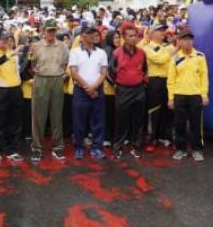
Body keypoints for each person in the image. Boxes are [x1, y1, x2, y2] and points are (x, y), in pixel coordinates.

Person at [29, 19, 69, 162]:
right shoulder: (36, 46)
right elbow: (31, 65)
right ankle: (37, 148)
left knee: (57, 115)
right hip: (41, 80)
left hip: (58, 79)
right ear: (43, 31)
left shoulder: (63, 46)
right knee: (39, 116)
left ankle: (58, 146)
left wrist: (59, 75)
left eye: (53, 30)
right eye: (49, 30)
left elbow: (65, 64)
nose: (51, 33)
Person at [167, 31, 209, 161]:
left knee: (196, 124)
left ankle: (197, 150)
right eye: (184, 40)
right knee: (179, 124)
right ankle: (181, 149)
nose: (187, 42)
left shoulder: (200, 56)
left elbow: (204, 77)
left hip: (195, 96)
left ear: (193, 41)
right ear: (179, 41)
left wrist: (204, 95)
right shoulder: (175, 58)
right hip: (179, 96)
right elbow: (171, 80)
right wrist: (171, 98)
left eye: (190, 39)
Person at [68, 27, 108, 160]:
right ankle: (79, 147)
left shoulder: (101, 53)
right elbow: (74, 72)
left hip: (97, 91)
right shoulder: (75, 52)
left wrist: (94, 87)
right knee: (79, 121)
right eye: (89, 34)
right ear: (82, 36)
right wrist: (88, 88)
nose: (92, 36)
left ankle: (97, 147)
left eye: (94, 33)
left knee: (98, 121)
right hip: (81, 91)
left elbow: (103, 73)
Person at [109, 22, 148, 159]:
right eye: (130, 36)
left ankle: (136, 146)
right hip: (123, 90)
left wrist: (140, 82)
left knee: (138, 121)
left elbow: (144, 70)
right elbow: (111, 71)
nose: (134, 38)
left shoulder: (142, 53)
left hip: (139, 90)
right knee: (121, 121)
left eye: (135, 36)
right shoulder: (116, 53)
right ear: (124, 37)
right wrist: (120, 83)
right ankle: (117, 147)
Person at [0, 30, 26, 163]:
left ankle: (12, 150)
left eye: (7, 39)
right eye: (2, 39)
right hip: (0, 90)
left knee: (15, 122)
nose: (5, 42)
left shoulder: (14, 54)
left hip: (15, 90)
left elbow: (19, 70)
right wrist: (11, 54)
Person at [143, 24, 176, 149]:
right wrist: (171, 51)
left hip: (169, 81)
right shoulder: (147, 48)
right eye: (160, 30)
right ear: (152, 33)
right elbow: (158, 59)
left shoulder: (168, 47)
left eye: (164, 30)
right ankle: (152, 138)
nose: (163, 32)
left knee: (168, 109)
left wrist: (172, 49)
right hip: (155, 81)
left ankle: (164, 136)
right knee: (154, 110)